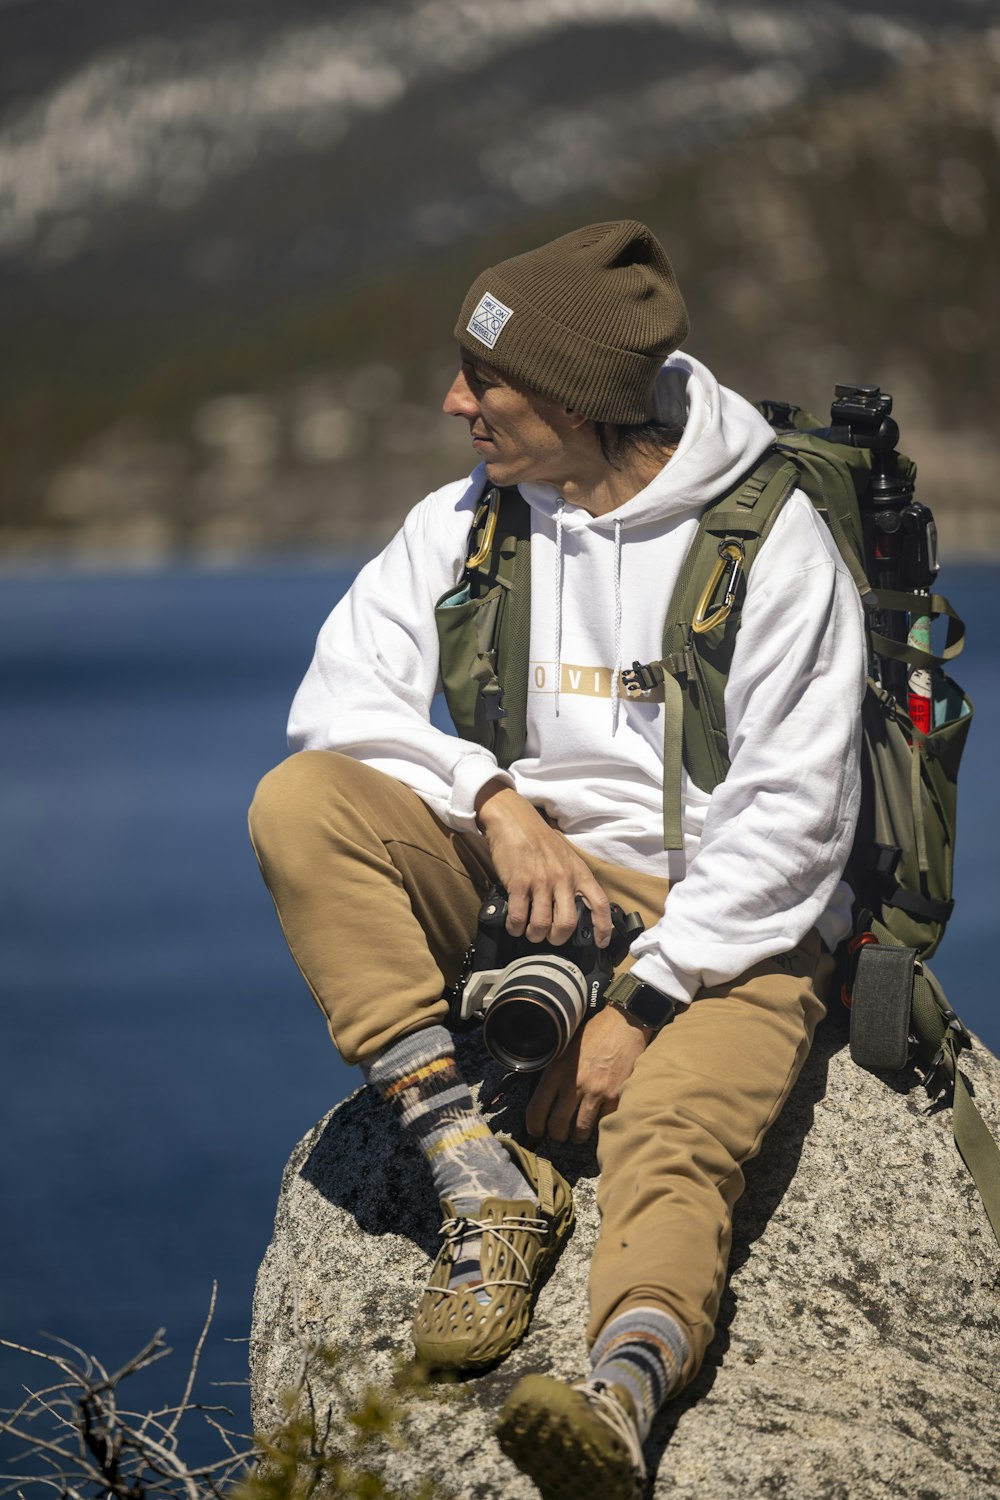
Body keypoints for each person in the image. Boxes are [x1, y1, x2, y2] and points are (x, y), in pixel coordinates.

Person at [248, 220, 866, 1500]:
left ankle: (620, 1395)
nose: (452, 401)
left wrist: (645, 999)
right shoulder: (467, 521)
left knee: (675, 1132)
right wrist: (492, 797)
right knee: (301, 804)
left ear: (582, 403)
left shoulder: (772, 545)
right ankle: (477, 1176)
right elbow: (334, 701)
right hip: (529, 877)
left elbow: (798, 817)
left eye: (485, 383)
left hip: (728, 914)